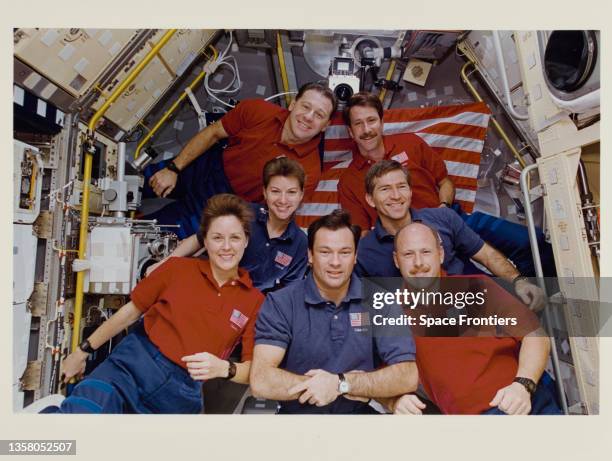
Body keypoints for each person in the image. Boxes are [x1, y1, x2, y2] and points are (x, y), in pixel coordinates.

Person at [44, 194, 264, 413]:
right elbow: (130, 313)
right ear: (205, 241)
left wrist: (225, 368)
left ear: (245, 240)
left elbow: (254, 372)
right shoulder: (177, 269)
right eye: (217, 238)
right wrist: (81, 353)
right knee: (81, 417)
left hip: (181, 395)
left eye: (234, 238)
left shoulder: (254, 301)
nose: (226, 247)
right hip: (131, 366)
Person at [249, 210, 418, 414]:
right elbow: (261, 379)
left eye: (345, 252)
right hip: (297, 422)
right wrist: (321, 387)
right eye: (325, 252)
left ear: (355, 256)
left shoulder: (380, 300)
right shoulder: (281, 303)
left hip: (359, 420)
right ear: (310, 255)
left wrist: (341, 384)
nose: (335, 262)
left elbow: (407, 374)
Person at [390, 222, 561, 415]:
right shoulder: (391, 312)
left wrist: (522, 385)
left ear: (441, 254)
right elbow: (372, 375)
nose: (418, 262)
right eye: (408, 254)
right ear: (396, 260)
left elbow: (535, 335)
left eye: (426, 252)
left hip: (524, 400)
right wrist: (394, 401)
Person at [143, 82, 337, 239]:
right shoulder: (256, 110)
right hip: (202, 166)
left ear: (325, 126)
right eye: (306, 106)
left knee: (151, 234)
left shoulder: (308, 172)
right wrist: (173, 169)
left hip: (225, 206)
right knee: (129, 187)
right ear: (293, 104)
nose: (308, 117)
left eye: (319, 115)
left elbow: (273, 213)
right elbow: (214, 133)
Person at [356, 160, 545, 310]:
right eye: (385, 189)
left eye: (401, 187)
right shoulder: (365, 253)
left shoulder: (442, 218)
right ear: (370, 199)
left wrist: (519, 282)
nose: (396, 196)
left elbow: (487, 256)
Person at [147, 157, 308, 293]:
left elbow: (288, 295)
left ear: (301, 195)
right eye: (275, 191)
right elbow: (198, 239)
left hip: (245, 314)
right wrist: (163, 265)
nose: (283, 200)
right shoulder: (244, 212)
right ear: (265, 192)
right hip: (203, 288)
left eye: (291, 192)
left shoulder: (301, 244)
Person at [338, 92, 454, 233]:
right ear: (350, 131)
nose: (366, 130)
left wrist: (444, 209)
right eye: (358, 123)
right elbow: (363, 232)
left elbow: (445, 182)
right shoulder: (348, 181)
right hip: (398, 244)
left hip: (442, 223)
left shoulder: (411, 143)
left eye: (371, 120)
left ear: (381, 123)